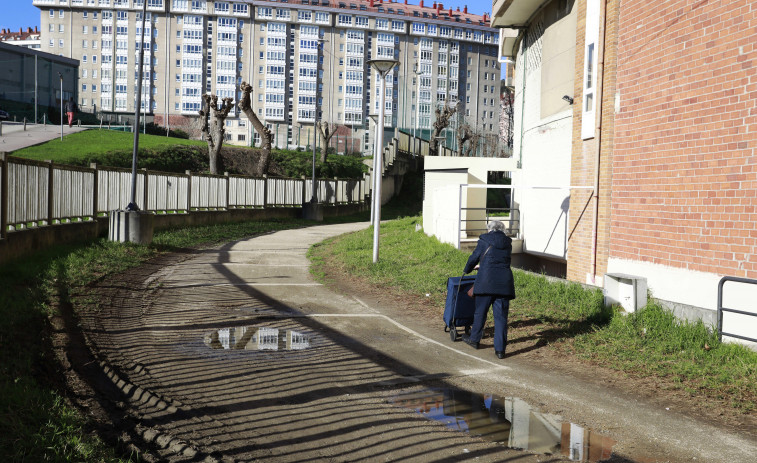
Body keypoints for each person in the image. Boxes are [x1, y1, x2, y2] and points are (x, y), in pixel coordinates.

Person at [461, 220, 516, 359]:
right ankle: (500, 350)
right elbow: (501, 260)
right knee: (501, 318)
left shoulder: (484, 239)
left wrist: (467, 270)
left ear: (489, 229)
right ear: (502, 230)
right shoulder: (508, 243)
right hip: (503, 283)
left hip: (486, 282)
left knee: (480, 313)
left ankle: (474, 340)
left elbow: (474, 257)